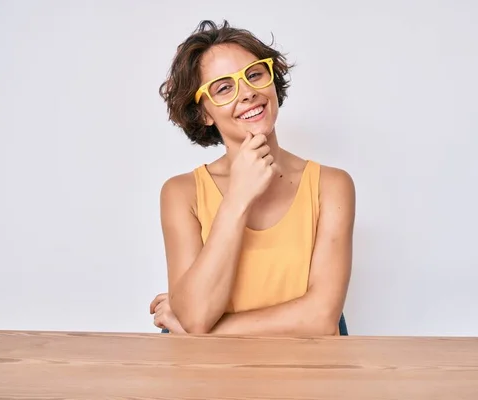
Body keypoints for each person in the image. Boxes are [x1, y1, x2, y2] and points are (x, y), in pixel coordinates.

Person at [149, 20, 355, 336]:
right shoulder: (181, 193)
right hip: (210, 379)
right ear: (203, 113)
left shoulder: (332, 186)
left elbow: (321, 319)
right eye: (223, 87)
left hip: (305, 377)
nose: (247, 92)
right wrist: (237, 199)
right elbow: (196, 315)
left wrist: (205, 333)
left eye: (254, 74)